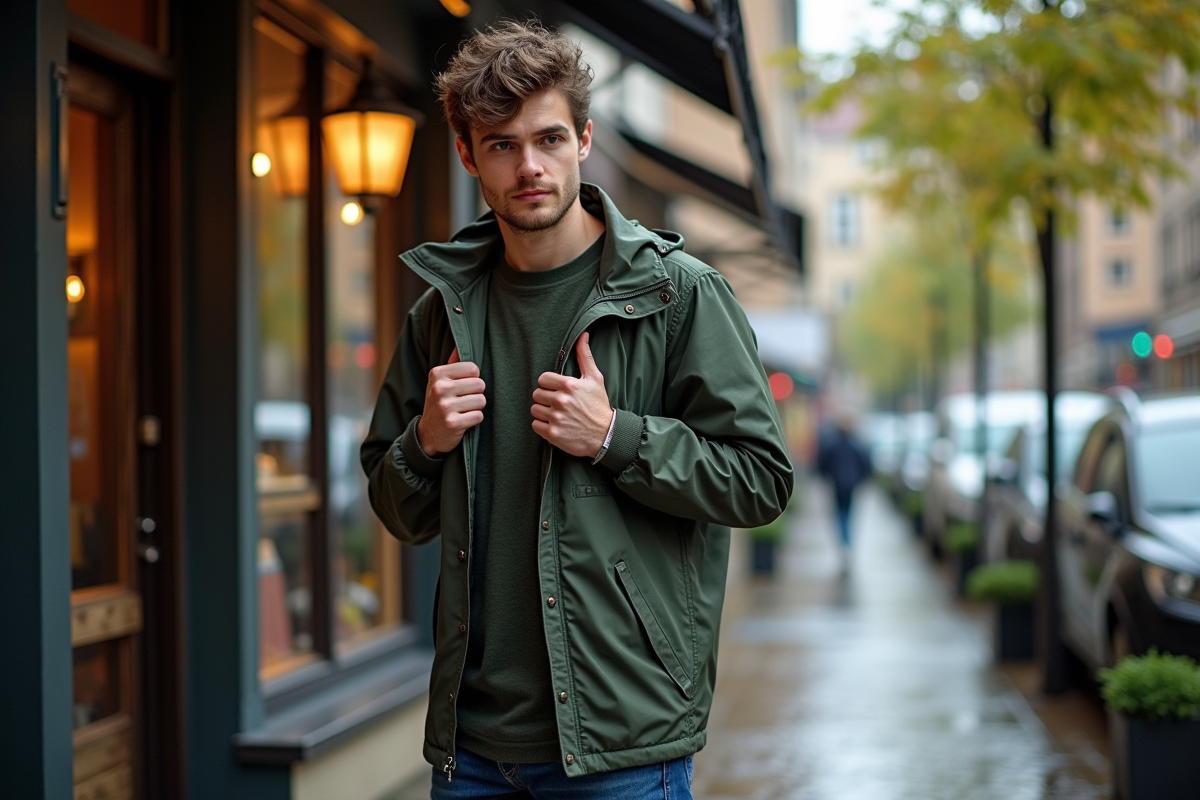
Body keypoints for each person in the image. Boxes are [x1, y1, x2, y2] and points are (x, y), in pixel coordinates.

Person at [359, 20, 793, 800]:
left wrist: (616, 437)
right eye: (501, 145)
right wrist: (424, 443)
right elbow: (398, 511)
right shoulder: (441, 313)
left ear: (585, 139)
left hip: (623, 747)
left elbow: (760, 481)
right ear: (467, 156)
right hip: (471, 750)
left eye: (549, 138)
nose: (530, 166)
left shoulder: (680, 293)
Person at [816, 415, 871, 563]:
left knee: (840, 514)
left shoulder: (832, 444)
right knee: (848, 513)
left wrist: (827, 477)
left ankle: (844, 542)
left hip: (838, 484)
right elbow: (865, 465)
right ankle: (847, 543)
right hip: (851, 485)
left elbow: (822, 464)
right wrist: (861, 480)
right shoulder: (857, 445)